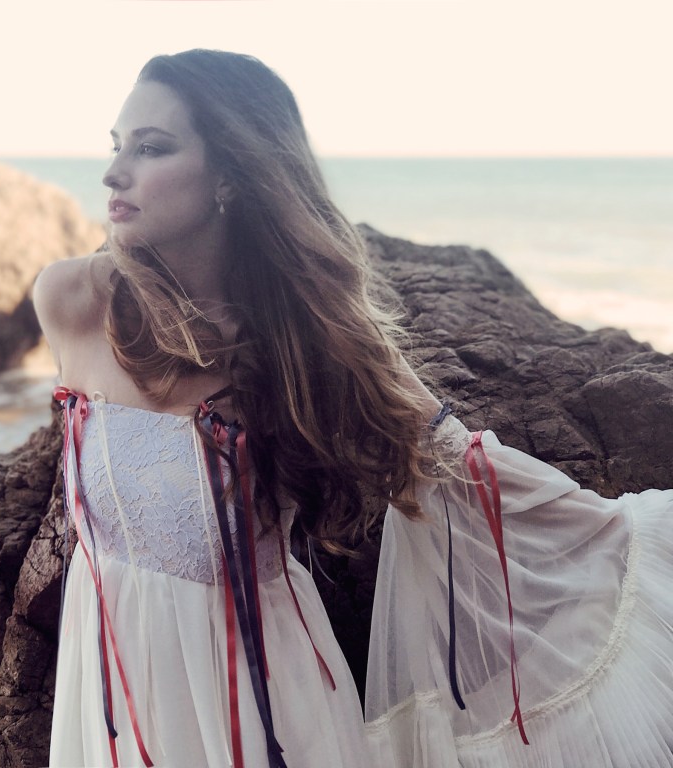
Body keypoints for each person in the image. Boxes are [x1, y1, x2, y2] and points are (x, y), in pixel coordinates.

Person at [33, 49, 673, 768]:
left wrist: (627, 538)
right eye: (116, 147)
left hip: (266, 701)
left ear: (231, 176)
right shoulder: (75, 303)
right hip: (111, 689)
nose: (114, 173)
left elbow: (445, 459)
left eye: (151, 148)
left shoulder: (299, 340)